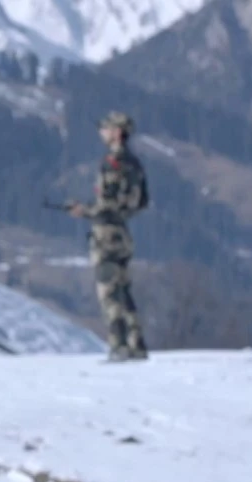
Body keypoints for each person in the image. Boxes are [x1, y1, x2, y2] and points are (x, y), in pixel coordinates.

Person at [69, 110, 151, 361]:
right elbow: (141, 202)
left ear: (117, 132)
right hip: (123, 233)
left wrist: (85, 211)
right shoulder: (135, 163)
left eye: (106, 128)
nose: (101, 132)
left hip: (106, 234)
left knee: (109, 291)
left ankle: (119, 346)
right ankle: (136, 344)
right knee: (123, 288)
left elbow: (108, 203)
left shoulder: (113, 162)